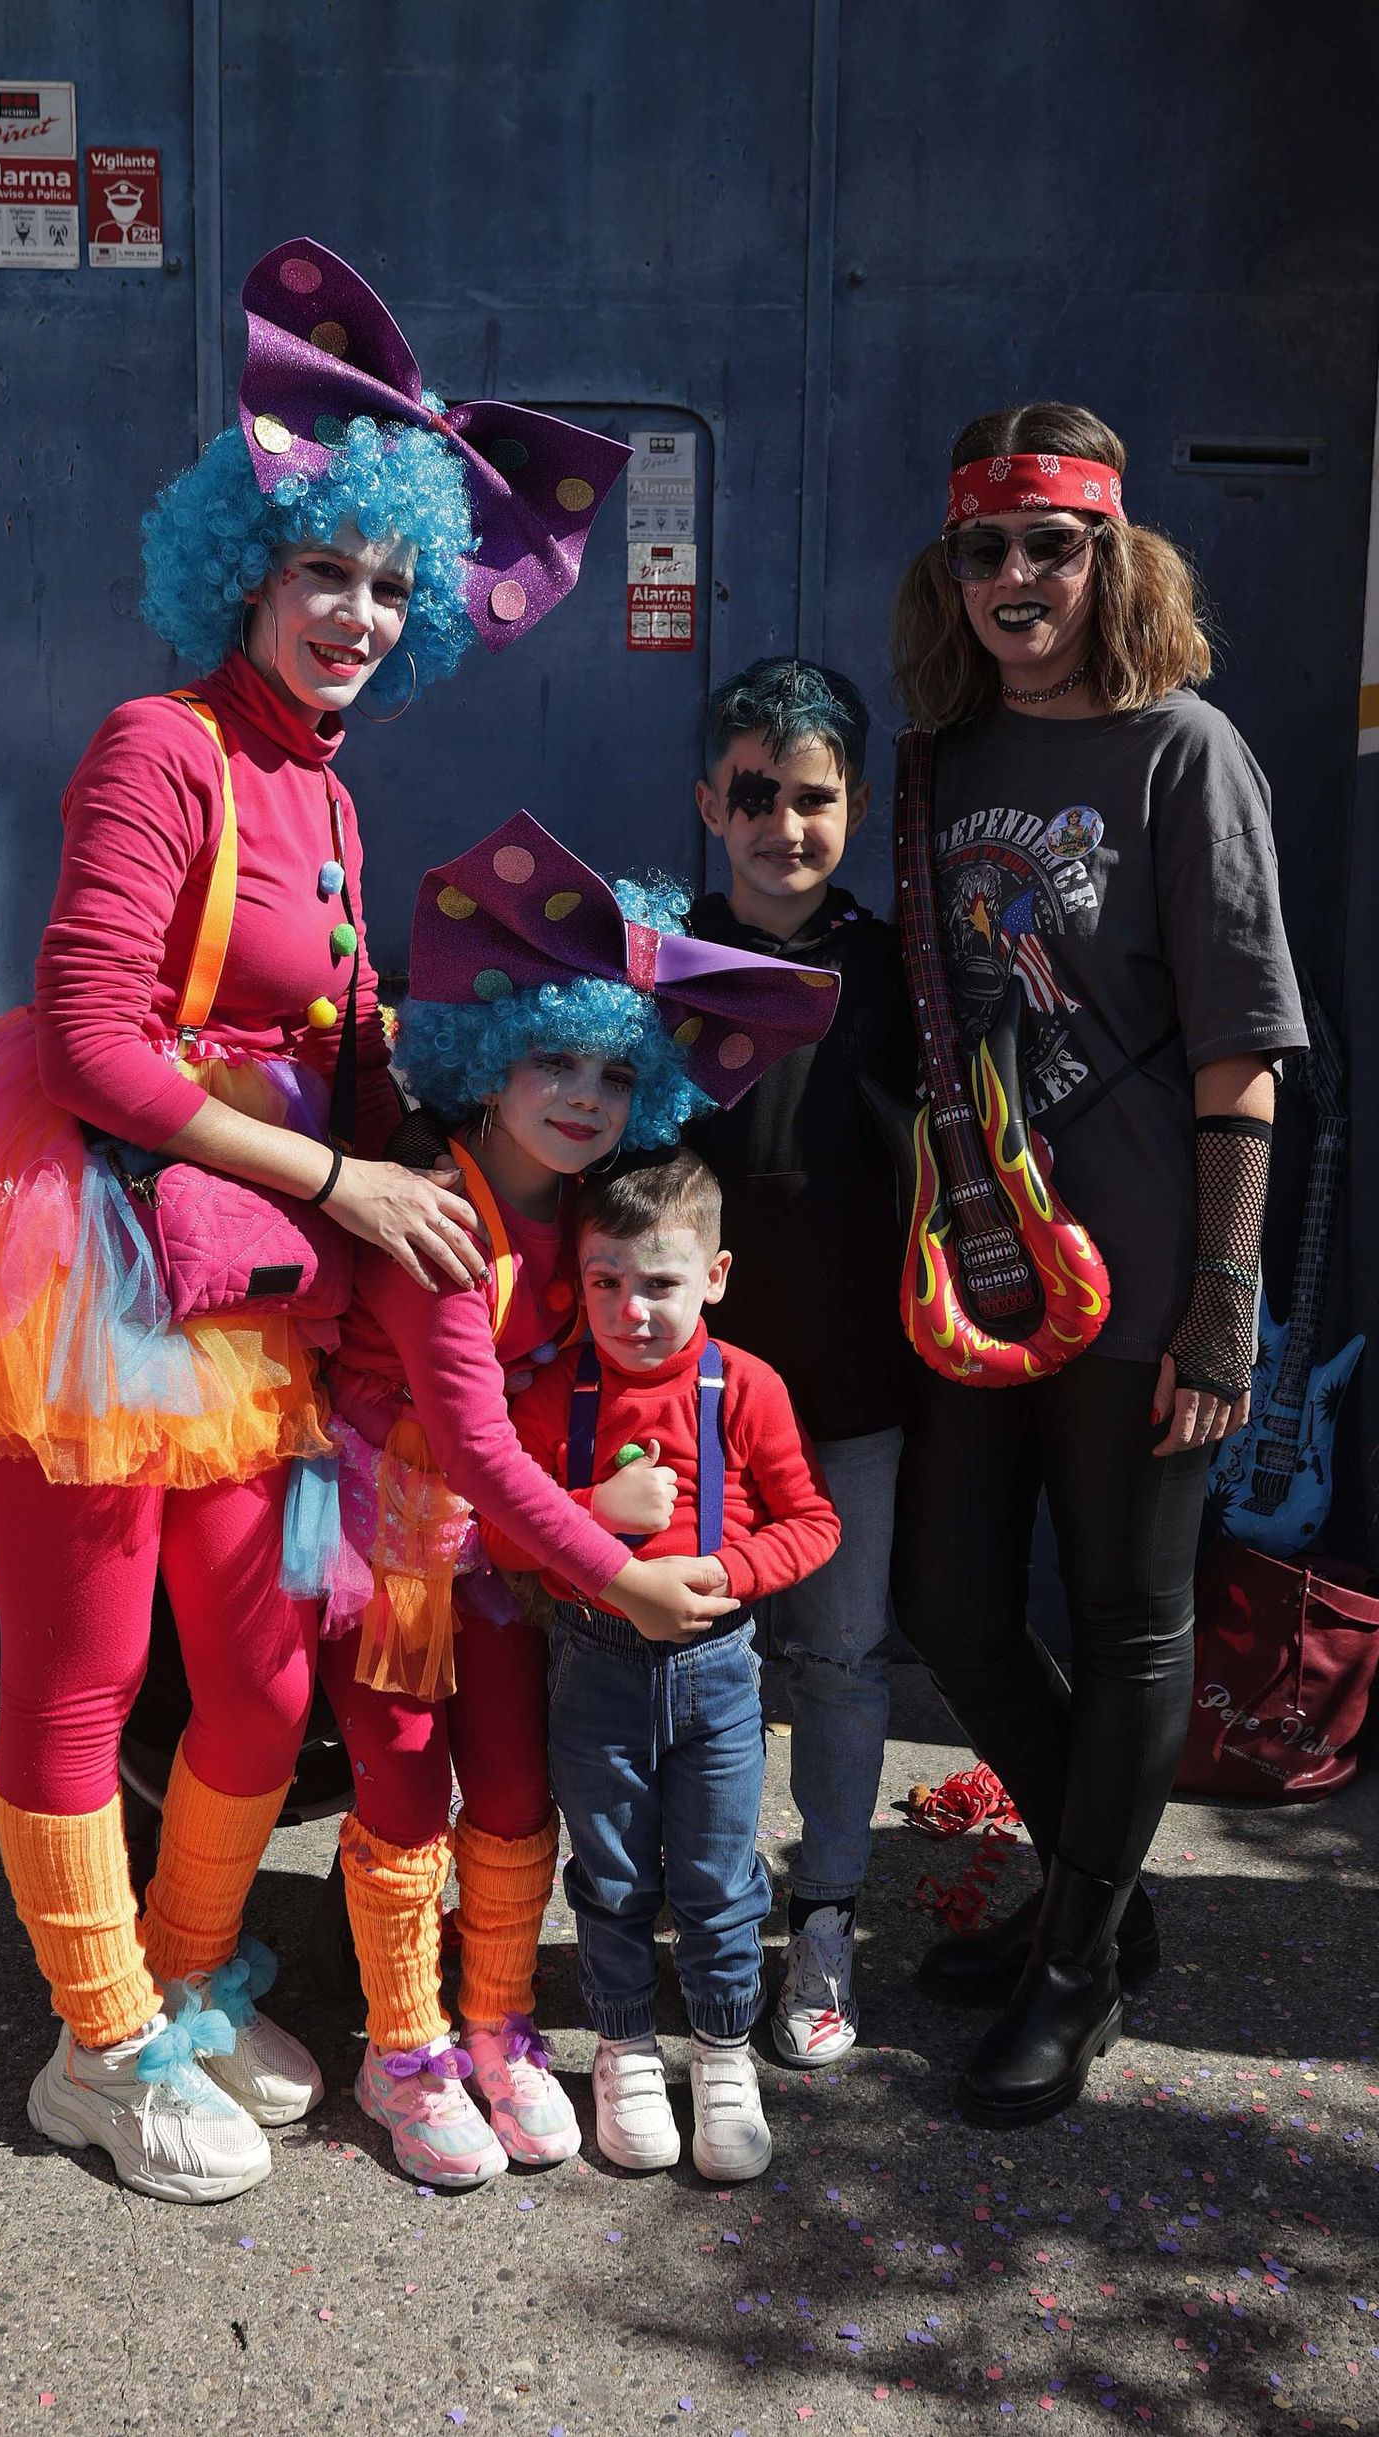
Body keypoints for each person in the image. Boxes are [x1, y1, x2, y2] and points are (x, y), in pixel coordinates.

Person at [0, 238, 627, 2203]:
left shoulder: (322, 787)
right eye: (327, 570)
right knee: (82, 1671)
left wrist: (498, 1105)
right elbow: (88, 1040)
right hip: (81, 1245)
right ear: (244, 568)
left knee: (253, 1679)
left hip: (238, 1270)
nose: (357, 614)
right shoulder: (158, 744)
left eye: (391, 587)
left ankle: (176, 1977)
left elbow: (329, 1037)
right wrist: (344, 1179)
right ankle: (96, 2050)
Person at [886, 401, 1306, 2126]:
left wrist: (1224, 1295)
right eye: (983, 548)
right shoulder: (942, 757)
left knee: (1132, 1618)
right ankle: (1101, 1902)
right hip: (983, 1268)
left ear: (1110, 558)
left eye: (1050, 546)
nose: (1016, 577)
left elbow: (1244, 1051)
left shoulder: (1182, 752)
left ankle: (1073, 1968)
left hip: (1142, 1271)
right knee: (951, 1601)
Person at [318, 814, 837, 2189]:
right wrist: (624, 1573)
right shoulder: (443, 1215)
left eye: (615, 1072)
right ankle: (402, 2043)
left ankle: (496, 2021)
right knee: (403, 1776)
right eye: (552, 1058)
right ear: (487, 1057)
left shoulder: (587, 1213)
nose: (583, 1095)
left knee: (511, 1781)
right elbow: (481, 1452)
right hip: (394, 1534)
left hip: (509, 1547)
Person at [481, 1148, 840, 2180]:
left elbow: (813, 1521)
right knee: (613, 1872)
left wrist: (728, 1571)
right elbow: (500, 1530)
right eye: (606, 1282)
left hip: (718, 1670)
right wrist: (592, 1509)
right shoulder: (557, 1394)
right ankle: (627, 2044)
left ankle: (723, 2050)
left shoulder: (746, 1387)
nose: (631, 1310)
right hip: (594, 1670)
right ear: (578, 1278)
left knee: (720, 1877)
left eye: (660, 1283)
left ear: (714, 1278)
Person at [687, 657, 915, 2067]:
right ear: (710, 803)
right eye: (756, 794)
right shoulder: (659, 962)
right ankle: (701, 1920)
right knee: (696, 1667)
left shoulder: (899, 972)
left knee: (836, 1659)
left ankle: (824, 1913)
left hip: (854, 1391)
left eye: (814, 798)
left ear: (859, 807)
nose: (785, 824)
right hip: (690, 1400)